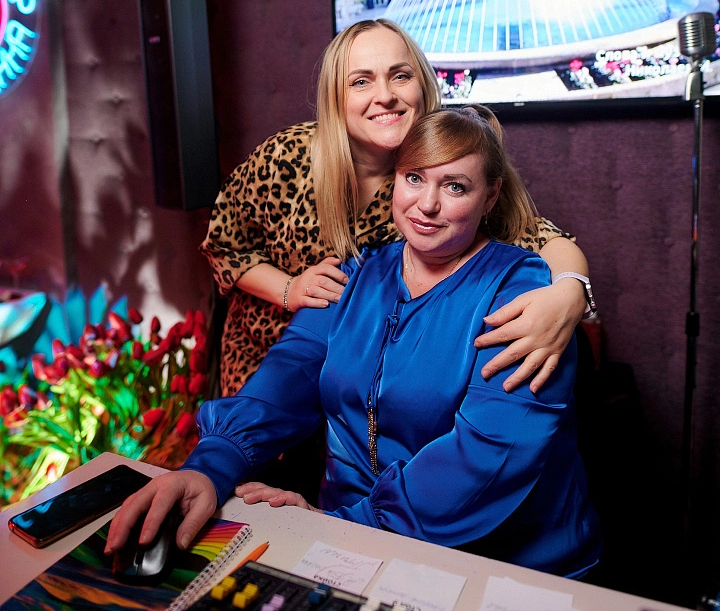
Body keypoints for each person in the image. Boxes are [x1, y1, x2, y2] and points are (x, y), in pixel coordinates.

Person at [108, 109, 601, 578]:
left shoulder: (520, 292)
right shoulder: (357, 272)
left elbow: (490, 454)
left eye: (455, 186)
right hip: (351, 536)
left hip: (500, 561)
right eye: (414, 178)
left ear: (490, 196)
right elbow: (288, 374)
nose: (427, 204)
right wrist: (210, 467)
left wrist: (346, 525)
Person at [202, 20, 592, 396]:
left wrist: (571, 293)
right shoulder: (286, 155)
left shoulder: (447, 164)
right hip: (264, 366)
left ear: (423, 85)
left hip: (365, 382)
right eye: (361, 81)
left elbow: (544, 238)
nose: (385, 95)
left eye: (400, 76)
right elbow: (224, 246)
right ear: (336, 96)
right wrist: (288, 289)